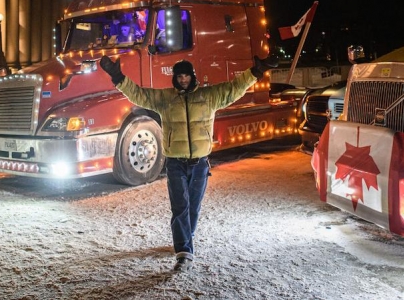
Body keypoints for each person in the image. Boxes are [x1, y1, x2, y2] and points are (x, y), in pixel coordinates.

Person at [99, 54, 277, 272]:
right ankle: (184, 252)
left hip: (200, 163)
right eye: (179, 76)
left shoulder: (208, 96)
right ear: (175, 78)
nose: (183, 80)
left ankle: (186, 237)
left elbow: (234, 88)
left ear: (193, 77)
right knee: (180, 206)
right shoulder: (165, 99)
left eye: (186, 76)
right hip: (175, 163)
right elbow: (139, 94)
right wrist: (117, 76)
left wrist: (256, 72)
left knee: (193, 206)